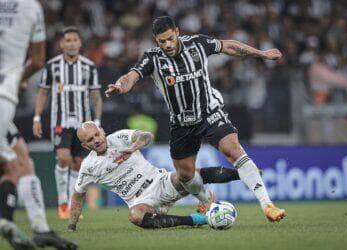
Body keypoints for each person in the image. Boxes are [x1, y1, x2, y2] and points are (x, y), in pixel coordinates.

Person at [105, 16, 285, 221]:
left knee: (233, 149)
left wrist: (262, 54)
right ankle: (207, 200)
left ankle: (267, 205)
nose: (168, 44)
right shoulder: (152, 58)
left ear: (177, 32)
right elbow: (132, 76)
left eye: (170, 38)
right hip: (181, 123)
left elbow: (229, 46)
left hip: (208, 113)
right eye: (162, 41)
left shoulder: (197, 44)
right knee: (185, 175)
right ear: (156, 40)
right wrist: (121, 86)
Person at [0, 0, 77, 249]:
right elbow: (36, 61)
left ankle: (40, 229)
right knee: (12, 165)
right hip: (3, 95)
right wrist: (18, 79)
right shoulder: (31, 8)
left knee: (21, 159)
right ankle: (6, 222)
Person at [68, 122, 240, 230]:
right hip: (142, 201)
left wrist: (134, 146)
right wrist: (71, 225)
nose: (96, 140)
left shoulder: (118, 138)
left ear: (102, 131)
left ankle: (243, 174)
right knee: (135, 216)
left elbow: (146, 136)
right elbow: (78, 194)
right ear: (85, 146)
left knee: (185, 174)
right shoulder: (88, 166)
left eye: (96, 134)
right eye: (90, 140)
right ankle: (197, 220)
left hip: (160, 182)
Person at [33, 26, 103, 220]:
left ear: (80, 43)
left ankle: (72, 204)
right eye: (68, 40)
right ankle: (62, 203)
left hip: (83, 126)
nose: (71, 43)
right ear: (62, 44)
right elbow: (43, 92)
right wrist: (37, 117)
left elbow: (96, 96)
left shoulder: (89, 67)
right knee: (63, 158)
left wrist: (96, 122)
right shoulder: (52, 66)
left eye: (75, 40)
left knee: (78, 164)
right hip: (60, 122)